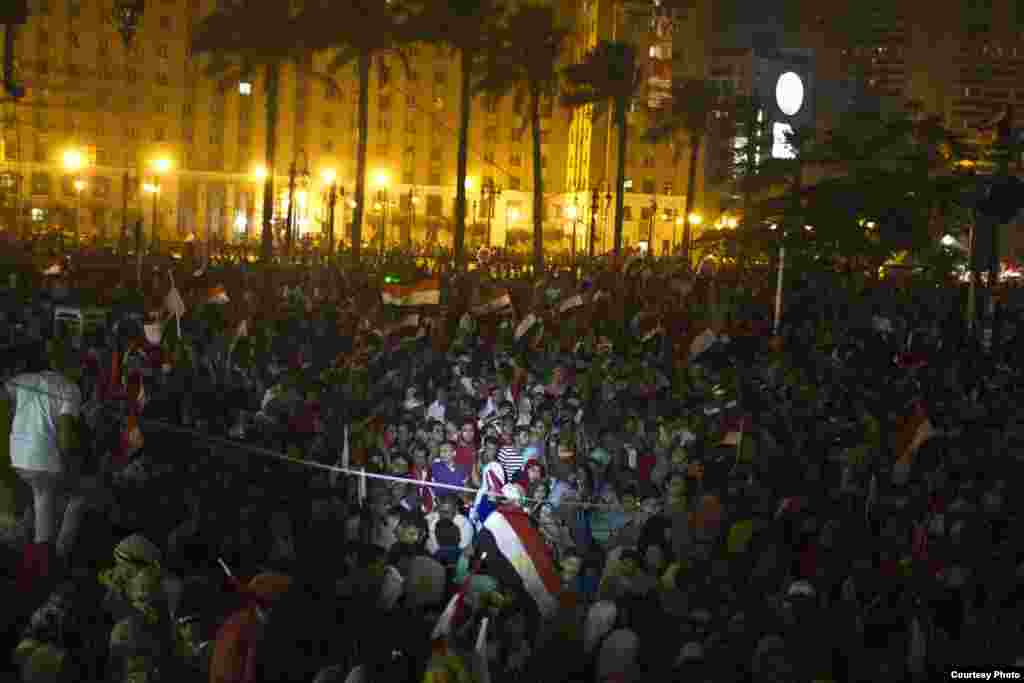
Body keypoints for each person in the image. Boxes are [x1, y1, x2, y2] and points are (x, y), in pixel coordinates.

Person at [5, 340, 83, 593]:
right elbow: (66, 436)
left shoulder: (23, 379)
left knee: (40, 504)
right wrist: (72, 465)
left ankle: (30, 554)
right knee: (62, 502)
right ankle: (43, 571)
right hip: (44, 462)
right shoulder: (70, 389)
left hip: (17, 457)